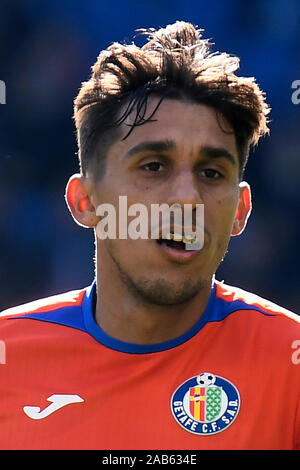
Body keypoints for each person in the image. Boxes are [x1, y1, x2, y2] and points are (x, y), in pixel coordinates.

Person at [0, 21, 299, 451]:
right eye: (154, 166)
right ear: (85, 201)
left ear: (240, 210)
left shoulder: (291, 368)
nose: (187, 198)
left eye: (212, 173)